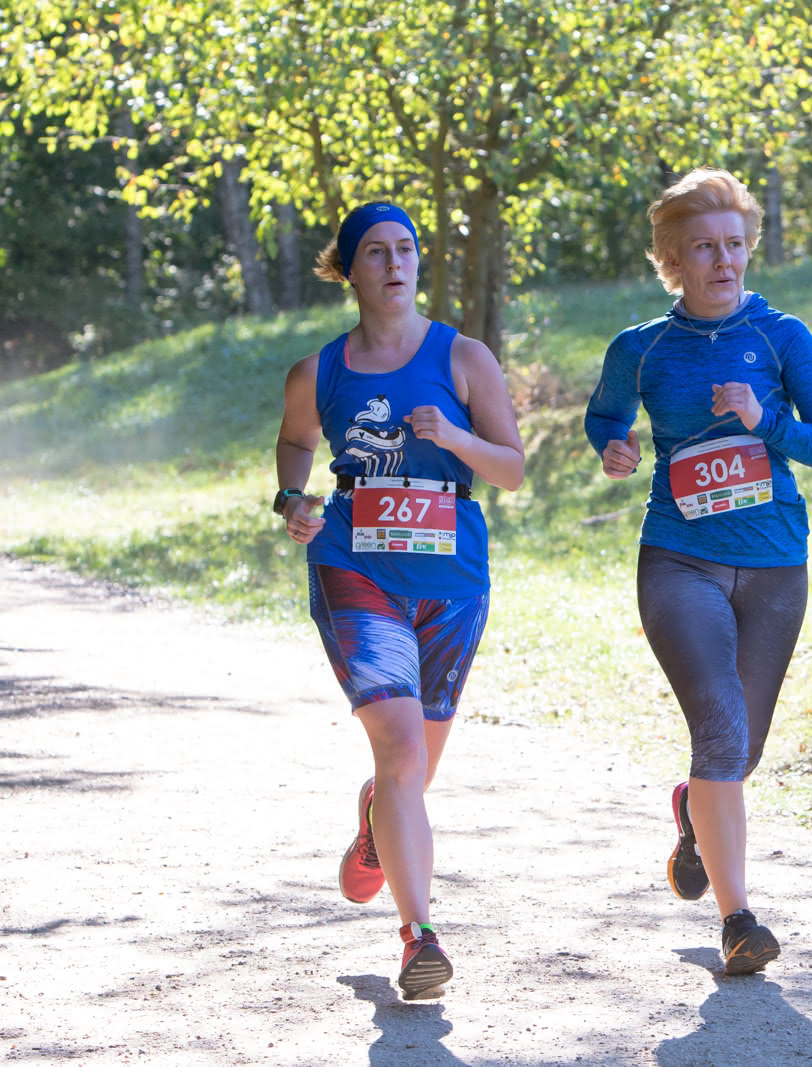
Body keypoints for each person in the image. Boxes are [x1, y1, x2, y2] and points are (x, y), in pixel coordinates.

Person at [585, 169, 812, 976]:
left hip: (775, 564)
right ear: (672, 259)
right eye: (704, 247)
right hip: (679, 558)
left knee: (741, 750)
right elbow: (605, 416)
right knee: (721, 730)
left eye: (735, 244)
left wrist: (765, 420)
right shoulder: (642, 348)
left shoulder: (782, 338)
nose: (723, 260)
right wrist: (615, 446)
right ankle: (739, 921)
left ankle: (694, 813)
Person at [274, 201, 524, 1000]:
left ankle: (376, 818)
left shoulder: (465, 358)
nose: (395, 263)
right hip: (354, 565)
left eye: (406, 248)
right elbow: (295, 444)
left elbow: (512, 469)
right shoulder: (321, 370)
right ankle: (420, 936)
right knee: (403, 754)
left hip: (452, 574)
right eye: (376, 252)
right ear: (348, 269)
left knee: (411, 774)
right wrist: (293, 499)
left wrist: (452, 438)